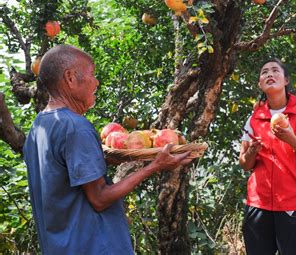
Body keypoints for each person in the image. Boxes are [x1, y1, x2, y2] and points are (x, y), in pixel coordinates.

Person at [23, 44, 193, 255]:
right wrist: (155, 166)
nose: (96, 82)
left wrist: (107, 160)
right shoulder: (75, 127)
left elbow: (63, 181)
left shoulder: (38, 126)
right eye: (92, 74)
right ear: (70, 78)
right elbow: (100, 199)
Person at [239, 58, 296, 255]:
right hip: (258, 205)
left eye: (275, 70)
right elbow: (244, 164)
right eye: (264, 72)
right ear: (260, 83)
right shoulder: (253, 119)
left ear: (286, 80)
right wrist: (252, 151)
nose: (269, 74)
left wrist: (293, 140)